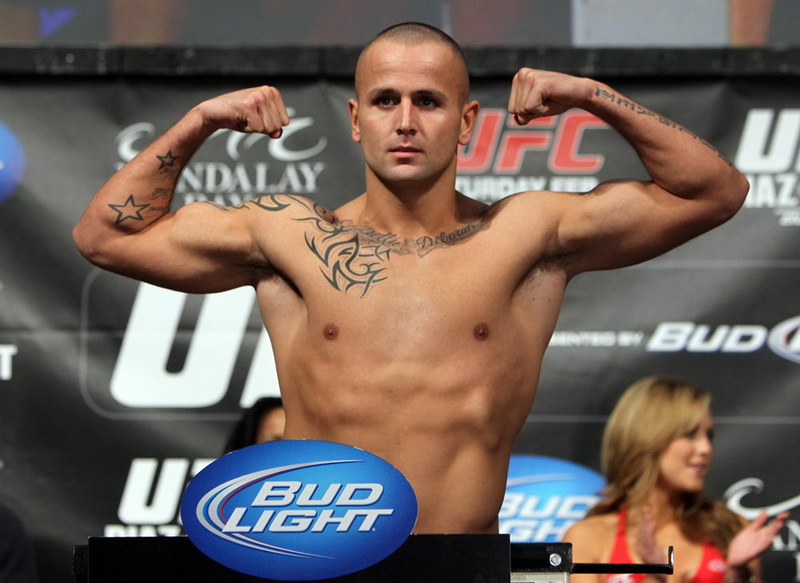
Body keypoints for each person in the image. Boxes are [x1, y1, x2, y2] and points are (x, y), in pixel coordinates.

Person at [72, 22, 749, 535]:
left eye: (428, 101)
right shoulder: (290, 236)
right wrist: (198, 123)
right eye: (384, 100)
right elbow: (104, 236)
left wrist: (590, 94)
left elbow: (714, 192)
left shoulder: (525, 236)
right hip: (322, 560)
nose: (404, 122)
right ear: (355, 119)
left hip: (464, 563)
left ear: (466, 122)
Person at [562, 377, 787, 582]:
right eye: (690, 434)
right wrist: (654, 576)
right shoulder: (587, 538)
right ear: (647, 438)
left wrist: (736, 574)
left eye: (709, 436)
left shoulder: (729, 528)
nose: (705, 448)